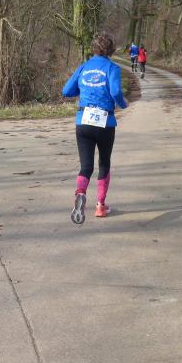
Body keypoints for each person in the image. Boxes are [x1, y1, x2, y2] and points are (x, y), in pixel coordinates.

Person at [62, 32, 128, 223]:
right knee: (104, 163)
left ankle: (81, 192)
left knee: (86, 166)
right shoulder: (112, 68)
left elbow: (66, 91)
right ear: (111, 50)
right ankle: (100, 206)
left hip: (83, 121)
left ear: (94, 49)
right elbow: (115, 91)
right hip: (105, 122)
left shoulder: (83, 67)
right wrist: (123, 104)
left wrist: (82, 90)